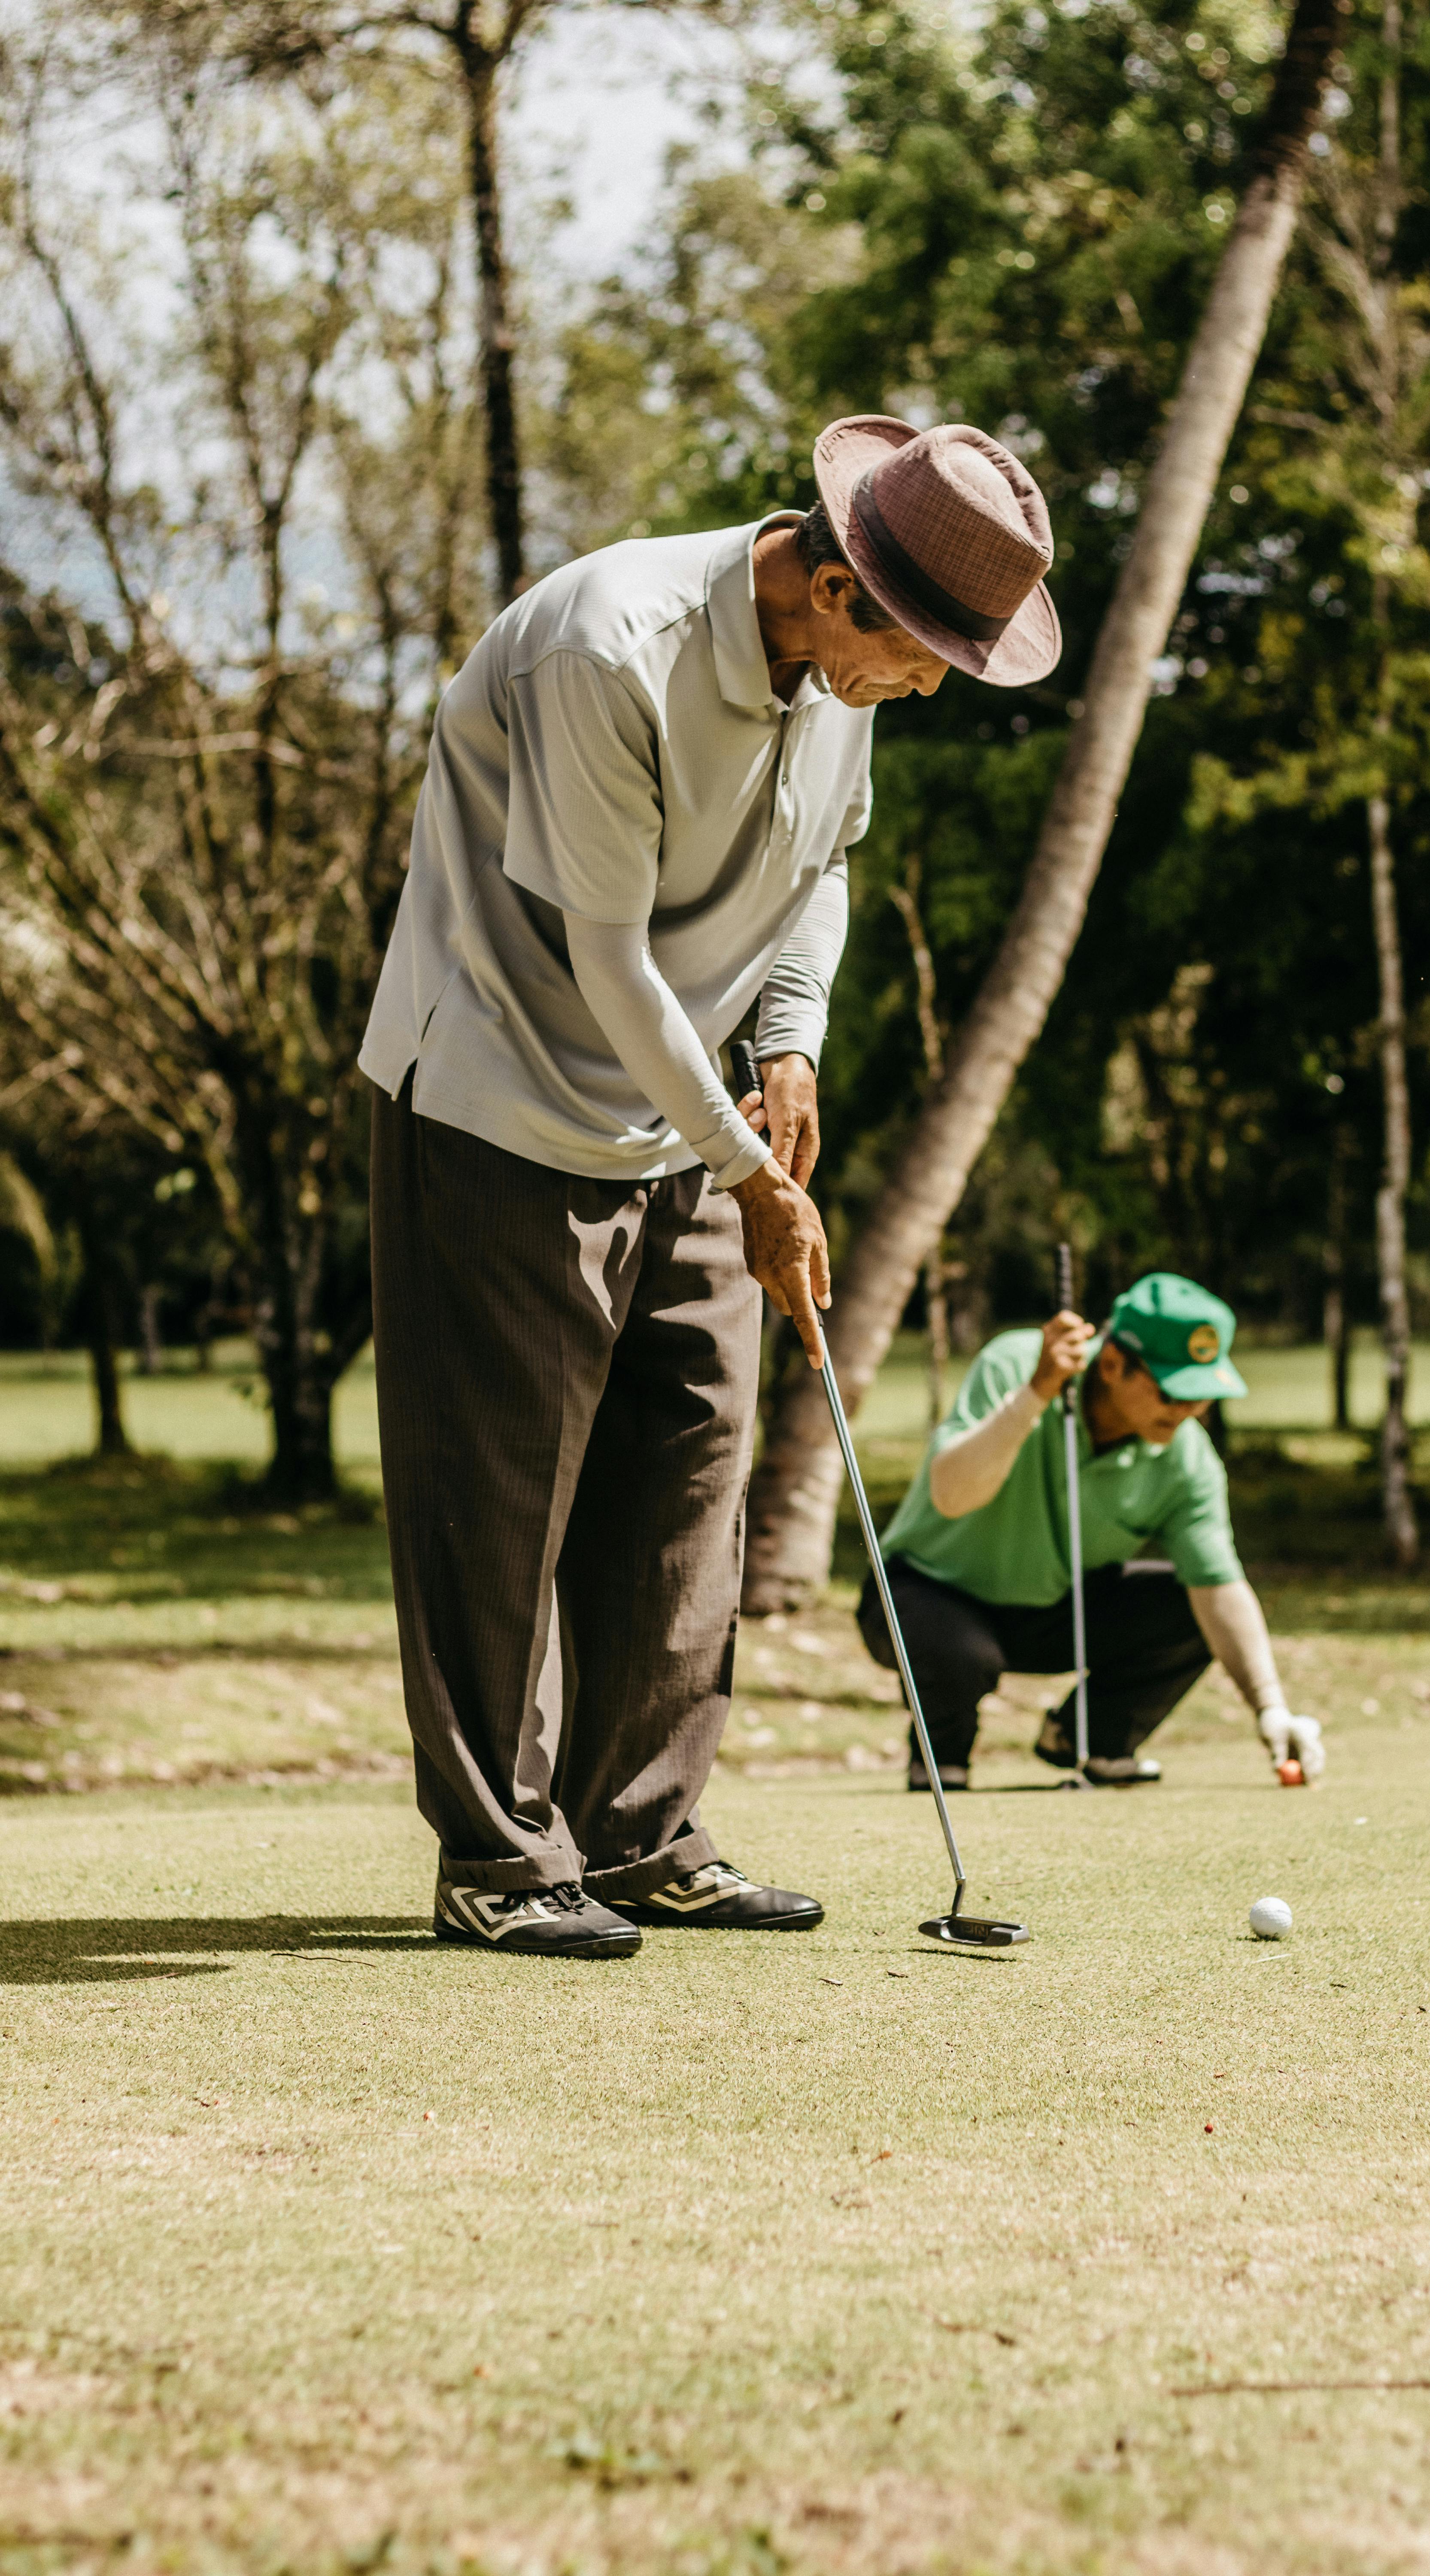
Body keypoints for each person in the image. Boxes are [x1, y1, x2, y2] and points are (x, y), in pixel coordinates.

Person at [359, 415, 1062, 1956]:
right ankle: (496, 1856)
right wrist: (753, 1169)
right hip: (501, 1097)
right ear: (829, 583)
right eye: (925, 650)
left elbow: (822, 869)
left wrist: (790, 1044)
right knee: (502, 1499)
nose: (932, 681)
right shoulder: (613, 647)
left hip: (676, 1118)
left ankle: (638, 1833)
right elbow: (604, 957)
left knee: (691, 1467)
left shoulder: (840, 668)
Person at [859, 1273, 1326, 1791]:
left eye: (1202, 1394)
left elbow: (1219, 1586)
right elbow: (952, 1495)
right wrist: (1036, 1395)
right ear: (1111, 1364)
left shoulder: (1185, 1456)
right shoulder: (1016, 1364)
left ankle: (1090, 1738)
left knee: (1188, 1609)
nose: (1191, 1411)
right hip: (924, 1592)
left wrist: (1271, 1708)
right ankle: (941, 1758)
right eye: (1173, 1392)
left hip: (1051, 1610)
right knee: (963, 1652)